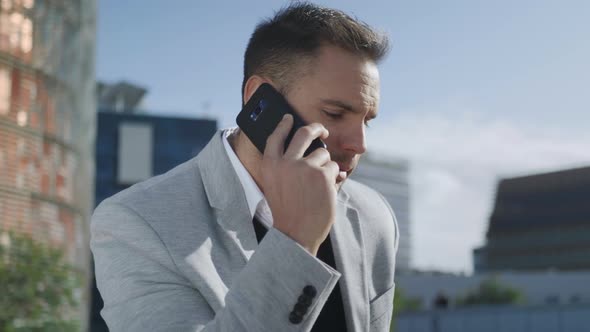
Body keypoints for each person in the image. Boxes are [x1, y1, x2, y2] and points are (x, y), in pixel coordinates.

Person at [91, 3, 399, 331]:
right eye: (335, 113)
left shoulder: (373, 216)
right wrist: (294, 242)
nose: (359, 144)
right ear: (259, 99)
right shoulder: (136, 224)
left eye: (367, 121)